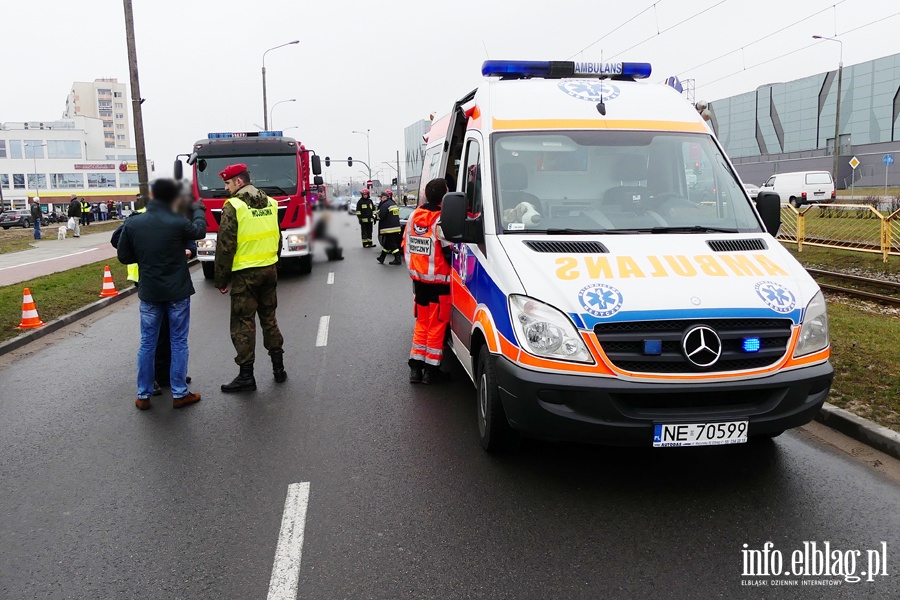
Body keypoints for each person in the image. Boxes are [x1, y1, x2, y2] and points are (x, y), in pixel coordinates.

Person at [116, 179, 207, 410]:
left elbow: (124, 257)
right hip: (177, 291)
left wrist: (147, 256)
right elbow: (199, 231)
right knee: (178, 341)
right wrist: (198, 210)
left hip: (149, 291)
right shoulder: (176, 221)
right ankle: (179, 393)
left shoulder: (134, 222)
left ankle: (143, 395)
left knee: (147, 342)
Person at [213, 163, 287, 393]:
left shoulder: (233, 206)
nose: (226, 188)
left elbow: (225, 246)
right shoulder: (271, 203)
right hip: (269, 269)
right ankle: (279, 369)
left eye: (227, 183)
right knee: (269, 319)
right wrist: (274, 262)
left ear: (239, 181)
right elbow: (278, 237)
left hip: (245, 273)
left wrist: (221, 279)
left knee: (243, 323)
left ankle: (246, 376)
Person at [403, 178, 452, 384]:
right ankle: (431, 370)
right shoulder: (442, 219)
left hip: (419, 280)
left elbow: (405, 242)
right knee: (437, 324)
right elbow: (449, 251)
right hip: (440, 282)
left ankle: (416, 368)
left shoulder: (414, 216)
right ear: (445, 197)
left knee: (422, 323)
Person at [375, 189, 402, 265]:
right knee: (386, 244)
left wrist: (375, 217)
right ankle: (382, 257)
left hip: (389, 228)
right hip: (395, 227)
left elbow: (381, 216)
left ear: (385, 197)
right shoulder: (393, 204)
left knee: (392, 244)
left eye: (382, 197)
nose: (381, 199)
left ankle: (398, 258)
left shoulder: (385, 205)